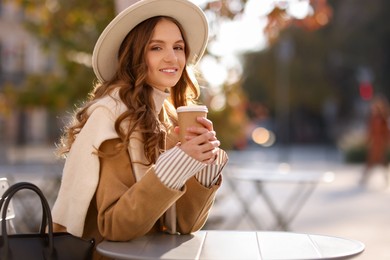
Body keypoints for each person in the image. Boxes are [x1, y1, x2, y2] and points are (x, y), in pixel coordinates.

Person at [51, 0, 228, 259]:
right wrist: (176, 164)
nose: (172, 57)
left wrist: (205, 166)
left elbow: (184, 225)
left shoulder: (167, 116)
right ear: (135, 54)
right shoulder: (111, 117)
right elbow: (115, 226)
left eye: (178, 47)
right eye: (156, 47)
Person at [360, 95, 390, 187]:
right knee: (372, 160)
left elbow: (386, 131)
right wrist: (368, 140)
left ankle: (384, 178)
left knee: (378, 160)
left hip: (380, 142)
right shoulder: (373, 118)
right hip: (375, 142)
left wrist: (387, 141)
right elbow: (370, 131)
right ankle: (365, 178)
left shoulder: (383, 119)